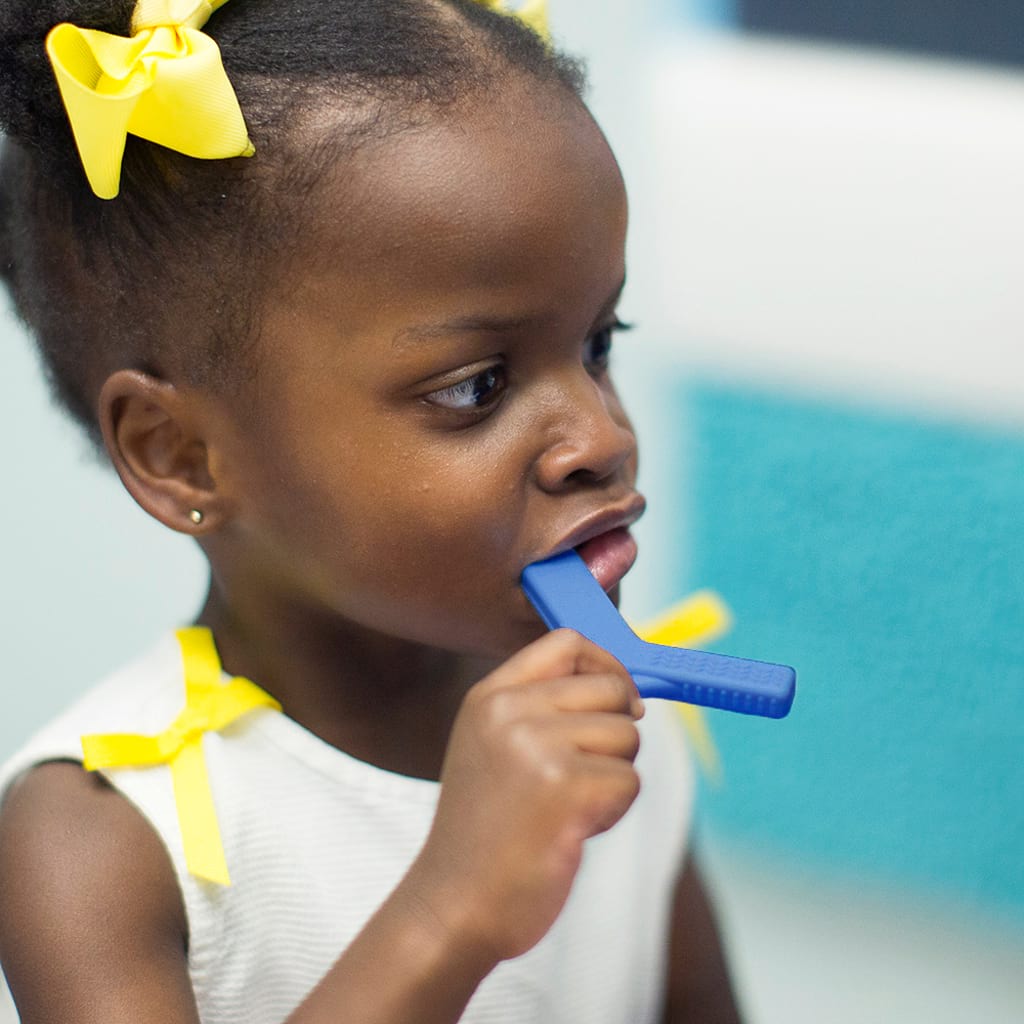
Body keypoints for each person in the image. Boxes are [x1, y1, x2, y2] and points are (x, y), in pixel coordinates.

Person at [0, 1, 742, 1021]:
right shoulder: (100, 840)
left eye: (597, 343)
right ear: (181, 455)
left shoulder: (610, 719)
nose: (600, 436)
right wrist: (450, 911)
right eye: (476, 386)